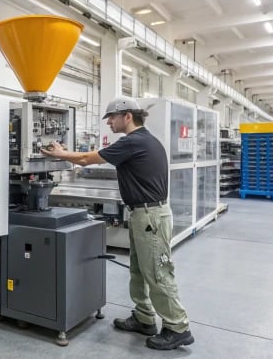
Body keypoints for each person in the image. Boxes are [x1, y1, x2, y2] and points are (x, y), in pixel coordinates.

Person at [41, 96, 194, 350]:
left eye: (111, 117)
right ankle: (145, 318)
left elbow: (86, 159)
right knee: (139, 269)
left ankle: (178, 327)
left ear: (127, 116)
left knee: (157, 273)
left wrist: (60, 154)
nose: (109, 122)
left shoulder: (134, 141)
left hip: (150, 217)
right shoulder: (144, 140)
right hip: (142, 214)